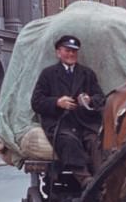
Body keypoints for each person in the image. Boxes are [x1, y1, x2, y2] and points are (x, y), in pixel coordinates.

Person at [31, 34, 105, 187]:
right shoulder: (48, 74)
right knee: (69, 141)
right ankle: (85, 179)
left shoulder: (87, 74)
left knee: (96, 142)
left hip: (84, 123)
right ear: (58, 53)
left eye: (74, 52)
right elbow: (36, 102)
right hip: (60, 123)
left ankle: (102, 178)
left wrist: (89, 99)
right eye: (67, 51)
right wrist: (57, 102)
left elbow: (101, 97)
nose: (71, 54)